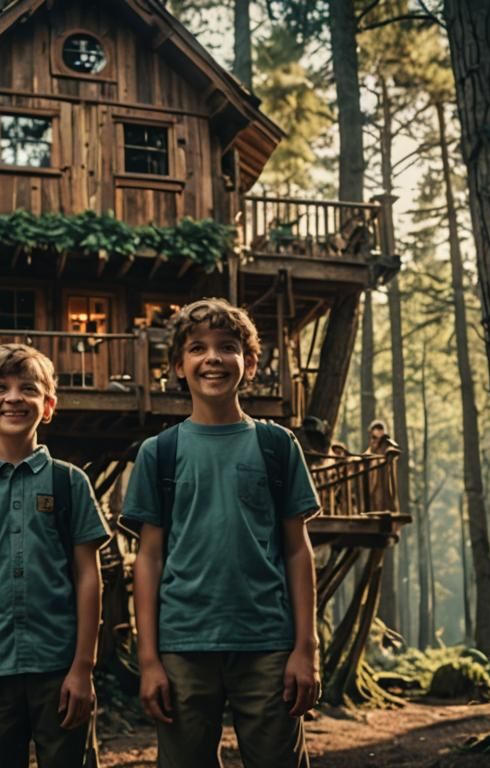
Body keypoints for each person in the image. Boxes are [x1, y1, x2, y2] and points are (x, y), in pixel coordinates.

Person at [123, 298, 321, 768]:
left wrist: (306, 648)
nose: (212, 358)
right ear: (178, 366)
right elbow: (148, 559)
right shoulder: (159, 452)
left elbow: (297, 550)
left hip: (268, 642)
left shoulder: (276, 445)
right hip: (183, 645)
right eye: (197, 348)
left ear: (249, 364)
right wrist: (149, 659)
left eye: (227, 347)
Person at [0, 343, 110, 768]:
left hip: (59, 666)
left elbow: (88, 577)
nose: (13, 397)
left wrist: (83, 667)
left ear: (48, 406)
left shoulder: (70, 482)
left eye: (27, 388)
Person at [364, 419, 400, 513]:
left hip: (387, 501)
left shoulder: (389, 452)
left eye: (380, 438)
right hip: (372, 501)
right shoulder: (367, 456)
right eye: (374, 437)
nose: (376, 441)